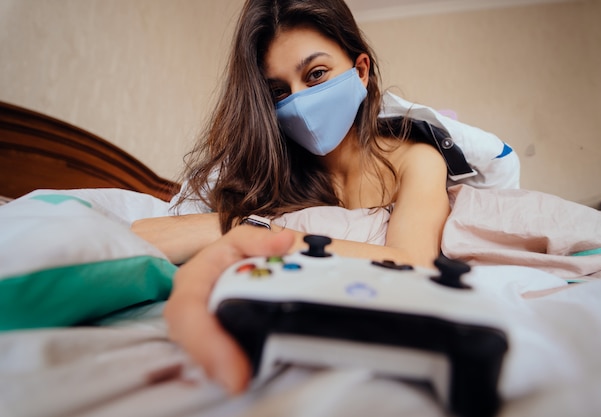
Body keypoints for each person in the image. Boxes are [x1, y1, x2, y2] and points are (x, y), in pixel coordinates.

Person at [134, 0, 519, 394]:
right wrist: (225, 226)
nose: (299, 102)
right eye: (279, 91)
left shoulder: (414, 160)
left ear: (361, 70)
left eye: (316, 74)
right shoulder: (271, 176)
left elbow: (411, 265)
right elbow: (138, 236)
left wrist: (258, 238)